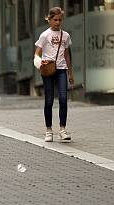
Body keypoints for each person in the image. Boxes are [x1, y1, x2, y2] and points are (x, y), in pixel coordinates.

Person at [35, 6, 74, 142]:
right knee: (49, 100)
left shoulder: (66, 35)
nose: (57, 22)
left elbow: (67, 55)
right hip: (48, 69)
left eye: (60, 20)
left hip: (62, 69)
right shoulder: (44, 35)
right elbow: (36, 54)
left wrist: (70, 73)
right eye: (55, 20)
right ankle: (48, 130)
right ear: (49, 20)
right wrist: (40, 63)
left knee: (63, 98)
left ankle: (62, 129)